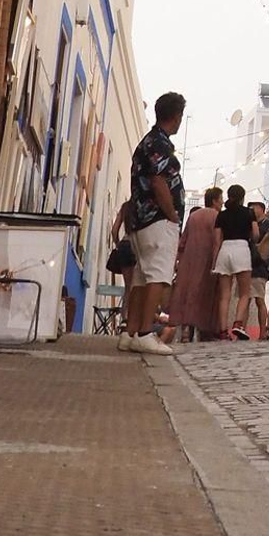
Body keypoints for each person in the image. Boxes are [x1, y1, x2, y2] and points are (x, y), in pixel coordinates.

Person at [122, 92, 186, 349]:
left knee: (141, 277)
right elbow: (159, 180)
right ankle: (146, 331)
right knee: (158, 276)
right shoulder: (159, 144)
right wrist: (171, 213)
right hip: (157, 218)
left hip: (142, 219)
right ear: (176, 116)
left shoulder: (148, 142)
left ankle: (132, 331)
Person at [169, 187, 224, 341]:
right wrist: (215, 261)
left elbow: (183, 239)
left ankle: (186, 329)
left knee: (188, 293)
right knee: (204, 294)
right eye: (221, 199)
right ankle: (204, 330)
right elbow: (217, 241)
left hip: (189, 260)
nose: (222, 202)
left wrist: (178, 259)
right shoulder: (217, 216)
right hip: (207, 260)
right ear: (214, 200)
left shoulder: (194, 216)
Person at [213, 184, 257, 340]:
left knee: (224, 295)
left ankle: (223, 331)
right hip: (241, 248)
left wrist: (214, 261)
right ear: (243, 197)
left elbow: (217, 241)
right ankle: (238, 323)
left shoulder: (221, 215)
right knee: (244, 292)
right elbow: (256, 234)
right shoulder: (249, 213)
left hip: (225, 250)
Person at [246, 198, 269, 339]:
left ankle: (263, 331)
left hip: (259, 267)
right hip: (250, 265)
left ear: (261, 209)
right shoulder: (253, 224)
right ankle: (243, 329)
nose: (251, 211)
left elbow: (259, 242)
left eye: (253, 208)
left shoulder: (266, 225)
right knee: (247, 299)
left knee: (259, 299)